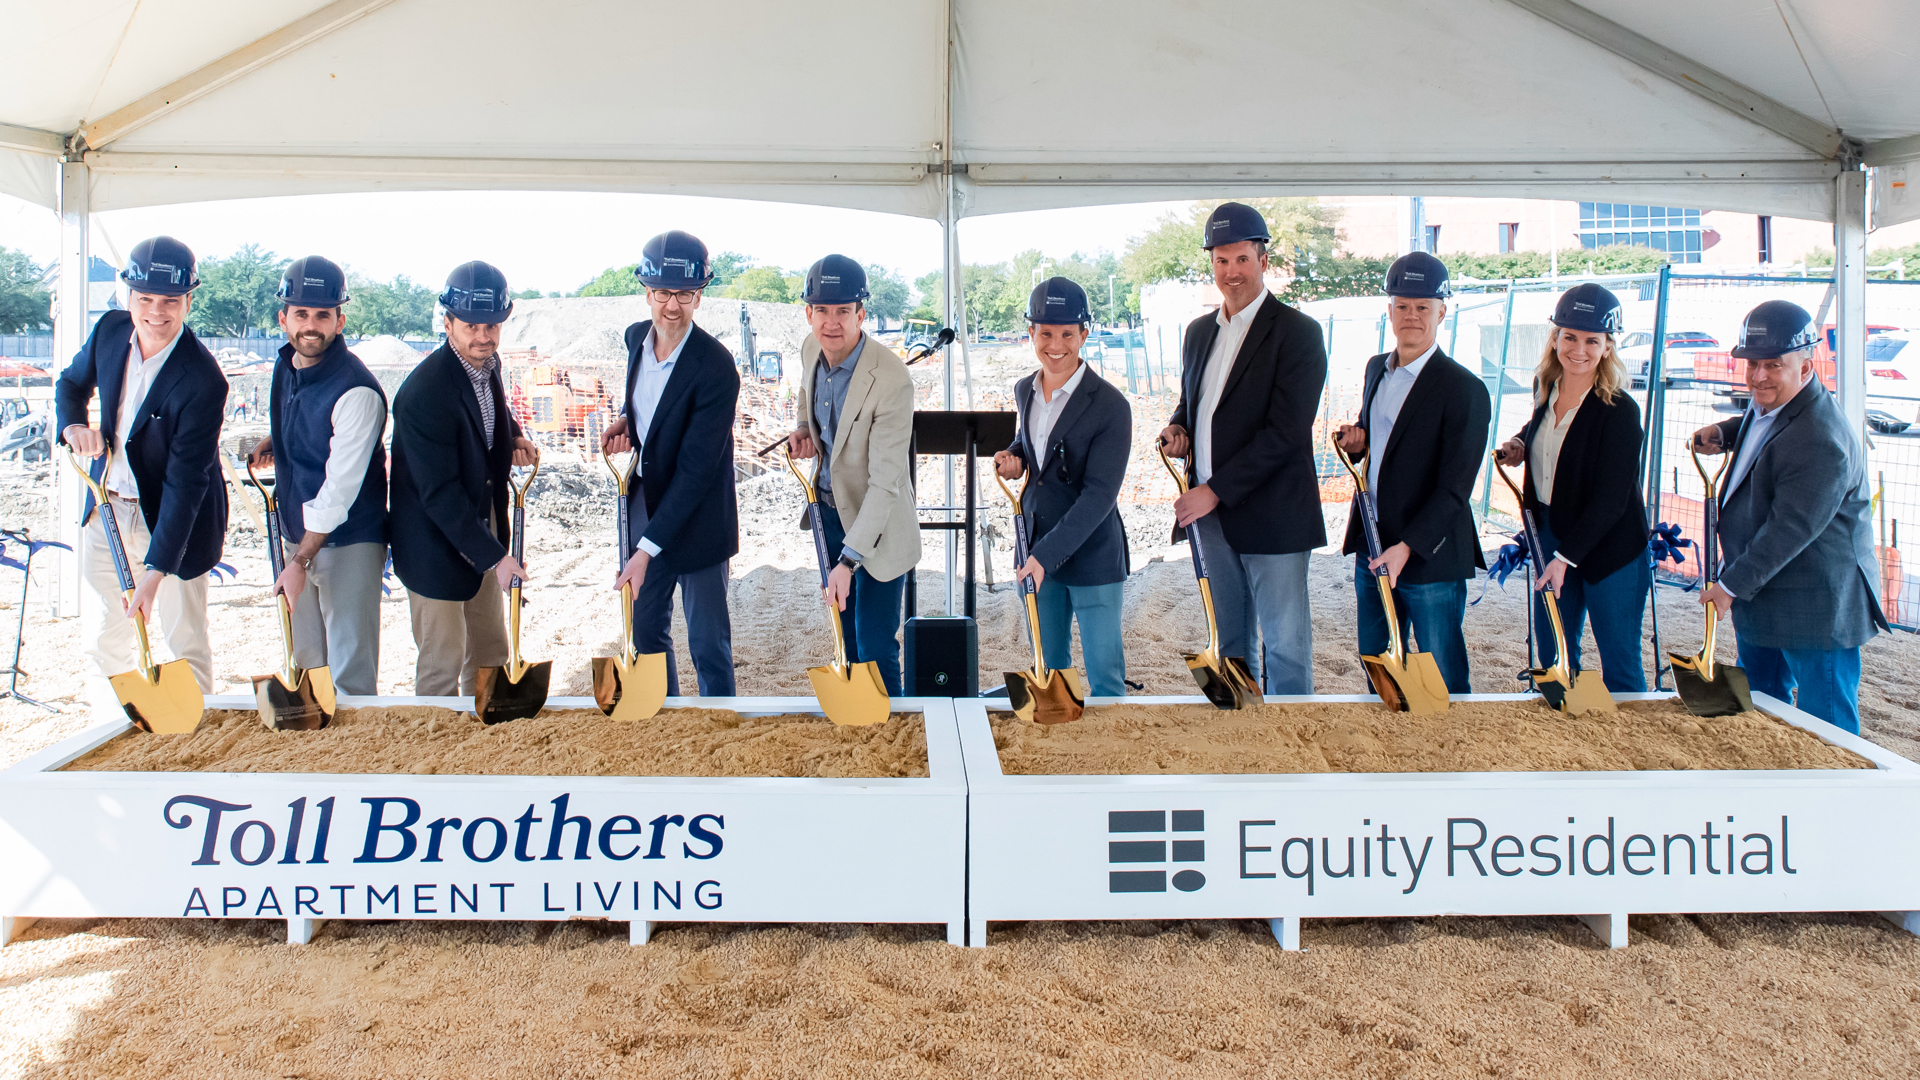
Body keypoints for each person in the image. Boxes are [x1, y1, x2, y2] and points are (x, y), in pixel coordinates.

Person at [1690, 299, 1887, 733]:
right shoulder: (1777, 404)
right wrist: (1726, 432)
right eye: (1752, 364)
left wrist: (1729, 586)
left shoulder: (1821, 437)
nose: (1759, 376)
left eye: (1773, 365)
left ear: (1805, 364)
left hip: (1817, 602)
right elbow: (1767, 424)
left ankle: (1833, 801)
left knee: (1827, 726)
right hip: (1766, 590)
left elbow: (1790, 528)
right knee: (1761, 714)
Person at [1157, 202, 1329, 695]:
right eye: (1221, 261)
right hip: (1212, 515)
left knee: (1285, 644)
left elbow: (1286, 432)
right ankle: (1240, 737)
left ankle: (1294, 746)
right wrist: (1177, 428)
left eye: (1241, 260)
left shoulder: (1298, 333)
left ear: (1263, 261)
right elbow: (1195, 404)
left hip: (1272, 511)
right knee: (1230, 637)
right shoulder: (1197, 333)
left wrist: (1212, 491)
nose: (1231, 272)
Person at [54, 235, 229, 696]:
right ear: (126, 294)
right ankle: (112, 744)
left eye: (170, 300)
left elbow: (186, 482)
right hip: (107, 506)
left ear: (189, 301)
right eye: (145, 298)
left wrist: (156, 571)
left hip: (174, 521)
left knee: (182, 643)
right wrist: (72, 426)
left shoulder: (205, 380)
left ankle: (196, 753)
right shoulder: (110, 332)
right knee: (105, 639)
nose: (156, 311)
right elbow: (70, 385)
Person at [1334, 252, 1491, 694]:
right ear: (1389, 311)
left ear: (1443, 312)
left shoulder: (1464, 389)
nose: (1412, 316)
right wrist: (1359, 439)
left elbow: (1455, 490)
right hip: (1373, 539)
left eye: (1423, 307)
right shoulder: (1375, 369)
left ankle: (1452, 753)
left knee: (1442, 678)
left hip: (1429, 555)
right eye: (1402, 306)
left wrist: (1408, 547)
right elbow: (1382, 436)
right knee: (1379, 668)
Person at [599, 230, 740, 697]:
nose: (672, 307)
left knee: (706, 641)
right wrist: (628, 420)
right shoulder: (636, 339)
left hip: (698, 517)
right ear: (647, 292)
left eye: (684, 294)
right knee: (644, 629)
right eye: (662, 293)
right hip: (647, 503)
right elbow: (652, 406)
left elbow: (698, 471)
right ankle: (666, 719)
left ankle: (719, 723)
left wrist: (645, 549)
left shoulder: (717, 368)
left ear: (699, 295)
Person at [389, 261, 539, 697]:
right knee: (442, 659)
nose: (483, 336)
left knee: (491, 648)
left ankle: (489, 747)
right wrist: (496, 558)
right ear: (448, 322)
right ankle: (437, 756)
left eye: (492, 325)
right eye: (471, 325)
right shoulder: (424, 393)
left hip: (479, 525)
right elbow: (439, 495)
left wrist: (511, 432)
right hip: (433, 540)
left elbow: (482, 412)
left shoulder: (486, 365)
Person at [1494, 283, 1650, 693]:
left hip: (1610, 546)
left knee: (1619, 660)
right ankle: (1562, 739)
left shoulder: (1619, 410)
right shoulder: (1546, 388)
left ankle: (1634, 747)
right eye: (1570, 337)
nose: (1578, 349)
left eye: (1591, 341)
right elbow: (1552, 434)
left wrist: (1564, 558)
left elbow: (1612, 499)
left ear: (1607, 347)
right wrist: (1520, 444)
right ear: (1556, 338)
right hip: (1552, 529)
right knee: (1555, 655)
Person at [247, 255, 389, 696]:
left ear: (340, 320)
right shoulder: (286, 365)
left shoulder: (357, 390)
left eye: (322, 315)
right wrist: (280, 440)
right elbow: (306, 416)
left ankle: (354, 762)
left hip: (348, 539)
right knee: (307, 662)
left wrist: (300, 560)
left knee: (348, 669)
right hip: (298, 532)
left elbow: (338, 491)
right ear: (283, 318)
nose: (311, 325)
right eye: (301, 314)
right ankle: (313, 760)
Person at [786, 254, 920, 696]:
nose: (831, 322)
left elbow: (885, 484)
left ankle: (894, 738)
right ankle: (860, 730)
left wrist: (847, 561)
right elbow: (807, 388)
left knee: (874, 643)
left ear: (861, 313)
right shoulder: (810, 348)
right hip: (828, 511)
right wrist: (805, 427)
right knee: (843, 631)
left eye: (843, 311)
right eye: (821, 310)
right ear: (808, 313)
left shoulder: (891, 378)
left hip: (878, 522)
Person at [993, 277, 1132, 696]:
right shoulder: (1025, 390)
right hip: (1035, 542)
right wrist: (1014, 455)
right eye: (1045, 333)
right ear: (1030, 333)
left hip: (1091, 554)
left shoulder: (1111, 406)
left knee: (1105, 677)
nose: (1056, 345)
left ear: (1084, 334)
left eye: (1067, 334)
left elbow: (1100, 496)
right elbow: (1036, 443)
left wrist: (1043, 556)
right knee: (1051, 672)